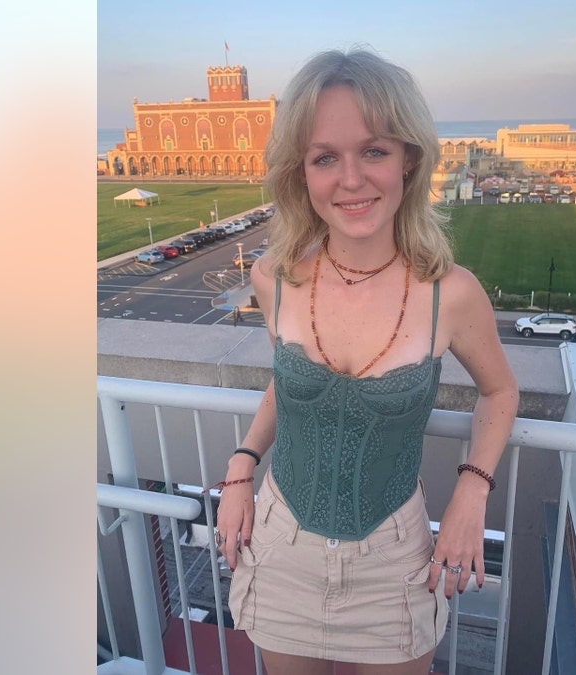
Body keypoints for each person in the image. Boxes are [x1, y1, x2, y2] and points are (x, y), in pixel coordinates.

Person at [214, 48, 518, 675]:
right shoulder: (274, 278)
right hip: (280, 547)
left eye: (373, 150)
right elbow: (289, 384)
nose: (350, 179)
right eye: (326, 157)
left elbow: (500, 392)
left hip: (395, 562)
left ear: (409, 158)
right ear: (301, 173)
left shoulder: (451, 293)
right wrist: (242, 465)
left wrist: (472, 491)